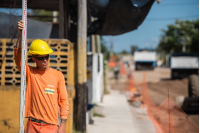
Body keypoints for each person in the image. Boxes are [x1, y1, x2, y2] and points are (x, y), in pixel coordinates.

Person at [15, 20, 69, 133]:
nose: (45, 60)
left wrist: (63, 124)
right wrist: (20, 35)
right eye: (41, 58)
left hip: (51, 127)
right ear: (34, 59)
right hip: (32, 126)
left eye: (47, 56)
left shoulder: (58, 75)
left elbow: (64, 101)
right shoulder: (30, 73)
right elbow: (18, 59)